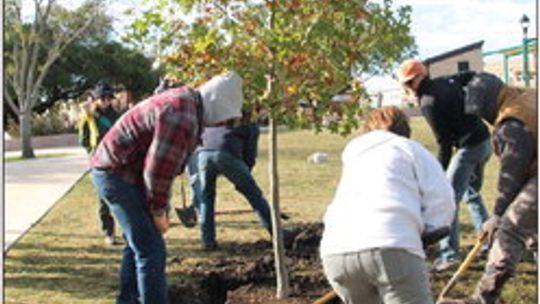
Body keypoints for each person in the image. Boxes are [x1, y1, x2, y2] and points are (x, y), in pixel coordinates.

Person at [90, 71, 244, 304]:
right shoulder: (181, 115)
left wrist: (160, 207)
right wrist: (158, 211)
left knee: (139, 244)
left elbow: (166, 167)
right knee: (151, 250)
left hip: (125, 171)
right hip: (116, 173)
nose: (221, 124)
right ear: (216, 105)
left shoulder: (188, 103)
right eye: (223, 118)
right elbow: (157, 170)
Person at [320, 106, 455, 304]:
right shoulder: (410, 149)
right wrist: (431, 231)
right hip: (392, 246)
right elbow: (442, 199)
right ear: (404, 130)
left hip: (336, 254)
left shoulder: (354, 156)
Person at [437, 72, 537, 304]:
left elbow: (512, 174)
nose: (484, 118)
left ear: (489, 102)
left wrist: (497, 215)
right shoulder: (525, 97)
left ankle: (484, 298)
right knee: (532, 229)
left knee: (509, 229)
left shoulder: (512, 122)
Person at [397, 59, 492, 271]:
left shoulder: (428, 102)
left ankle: (449, 256)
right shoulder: (444, 81)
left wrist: (437, 174)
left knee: (447, 199)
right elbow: (468, 75)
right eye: (406, 83)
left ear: (420, 77)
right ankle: (488, 242)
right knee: (472, 194)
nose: (408, 87)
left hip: (469, 149)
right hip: (485, 142)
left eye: (410, 82)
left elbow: (444, 143)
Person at [194, 108, 272, 250]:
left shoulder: (220, 115)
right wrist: (244, 181)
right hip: (225, 154)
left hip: (203, 154)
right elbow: (250, 156)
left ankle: (207, 241)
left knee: (206, 198)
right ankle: (277, 233)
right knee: (254, 195)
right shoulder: (251, 124)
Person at [78, 81, 121, 245]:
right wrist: (93, 153)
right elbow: (83, 140)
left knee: (122, 196)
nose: (105, 101)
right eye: (102, 98)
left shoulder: (117, 115)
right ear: (95, 99)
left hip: (116, 159)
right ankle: (109, 232)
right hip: (98, 161)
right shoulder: (88, 117)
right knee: (104, 198)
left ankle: (125, 230)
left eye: (108, 97)